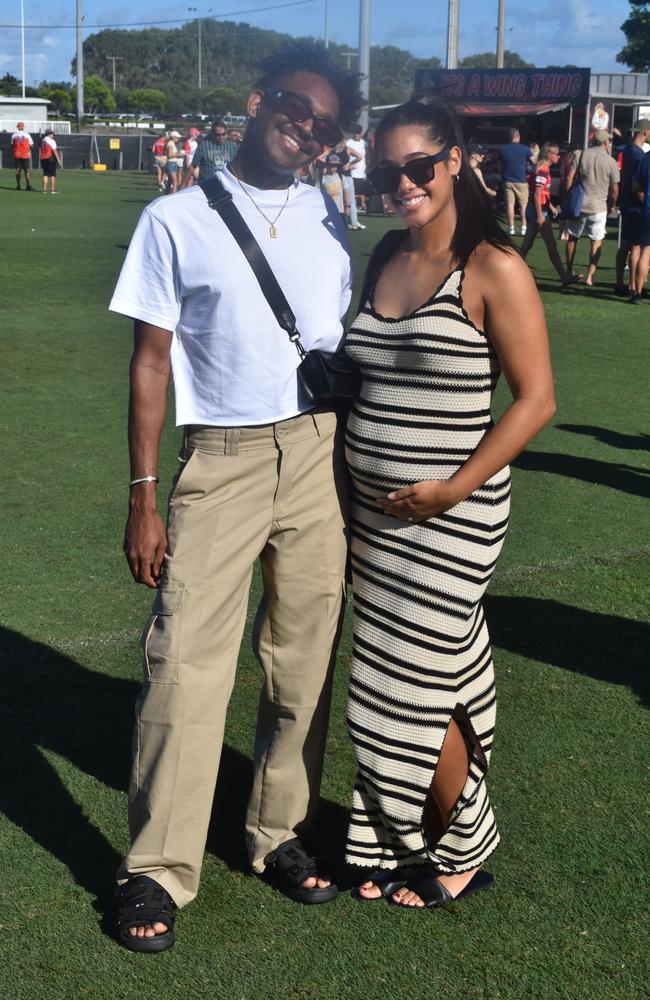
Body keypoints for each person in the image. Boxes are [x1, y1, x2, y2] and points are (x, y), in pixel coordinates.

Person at [108, 39, 362, 952]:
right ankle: (156, 870)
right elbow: (149, 362)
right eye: (296, 109)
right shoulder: (174, 216)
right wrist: (144, 493)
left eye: (327, 124)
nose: (307, 129)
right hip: (219, 457)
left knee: (302, 658)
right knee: (187, 665)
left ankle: (278, 832)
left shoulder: (335, 219)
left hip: (318, 455)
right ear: (259, 102)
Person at [342, 95, 556, 909]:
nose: (402, 183)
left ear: (456, 160)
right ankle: (418, 840)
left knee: (403, 690)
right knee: (439, 681)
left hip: (452, 518)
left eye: (418, 167)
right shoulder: (385, 253)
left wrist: (451, 490)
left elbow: (536, 400)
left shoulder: (493, 266)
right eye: (385, 169)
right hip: (374, 521)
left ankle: (460, 847)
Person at [519, 142, 581, 286]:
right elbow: (536, 194)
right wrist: (540, 215)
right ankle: (564, 276)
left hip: (539, 209)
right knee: (550, 245)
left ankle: (512, 272)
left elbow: (541, 193)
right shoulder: (543, 170)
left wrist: (550, 205)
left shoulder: (542, 168)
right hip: (538, 211)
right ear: (549, 155)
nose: (559, 156)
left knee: (527, 245)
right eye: (556, 154)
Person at [564, 130, 620, 287]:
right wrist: (612, 205)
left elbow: (569, 177)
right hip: (599, 207)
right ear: (605, 143)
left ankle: (569, 271)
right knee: (596, 242)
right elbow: (615, 190)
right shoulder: (611, 161)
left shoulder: (580, 155)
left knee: (573, 238)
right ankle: (590, 276)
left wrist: (569, 197)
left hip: (579, 204)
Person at [615, 118, 650, 298]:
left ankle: (620, 282)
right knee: (638, 247)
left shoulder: (628, 151)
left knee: (626, 245)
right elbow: (639, 185)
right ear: (644, 132)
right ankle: (634, 285)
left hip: (626, 202)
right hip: (638, 206)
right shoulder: (639, 155)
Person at [498, 127, 533, 236]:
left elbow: (499, 166)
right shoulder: (525, 148)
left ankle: (511, 227)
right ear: (517, 136)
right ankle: (523, 227)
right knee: (523, 205)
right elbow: (534, 162)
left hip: (508, 180)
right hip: (521, 180)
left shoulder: (502, 149)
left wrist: (502, 176)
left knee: (510, 205)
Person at [629, 148, 650, 304]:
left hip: (647, 210)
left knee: (644, 249)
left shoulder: (644, 160)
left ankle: (637, 292)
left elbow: (636, 186)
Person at [347, 124, 368, 212]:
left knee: (361, 189)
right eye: (355, 133)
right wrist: (349, 165)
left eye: (358, 133)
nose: (356, 135)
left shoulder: (363, 143)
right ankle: (354, 205)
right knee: (354, 190)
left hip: (362, 170)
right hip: (353, 170)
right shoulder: (349, 142)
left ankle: (363, 205)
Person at [39, 129, 62, 194]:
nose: (53, 135)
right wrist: (59, 160)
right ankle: (52, 190)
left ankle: (44, 189)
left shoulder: (43, 140)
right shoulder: (52, 141)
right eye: (52, 134)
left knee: (45, 174)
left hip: (43, 158)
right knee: (52, 175)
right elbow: (54, 151)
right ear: (49, 134)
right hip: (50, 158)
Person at [12, 122, 33, 191]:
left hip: (17, 154)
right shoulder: (27, 135)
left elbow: (11, 144)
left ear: (17, 127)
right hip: (25, 155)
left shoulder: (14, 135)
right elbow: (31, 145)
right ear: (23, 127)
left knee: (18, 170)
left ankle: (18, 186)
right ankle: (28, 186)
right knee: (27, 170)